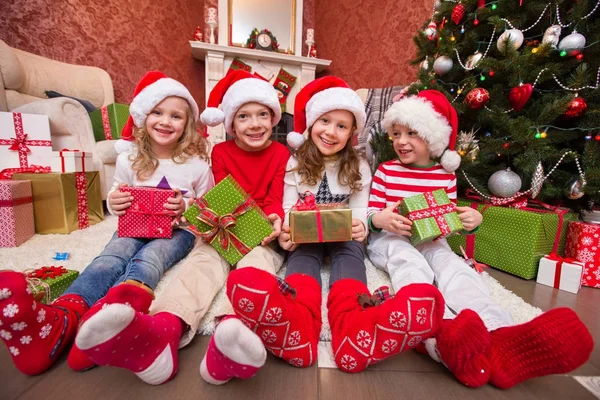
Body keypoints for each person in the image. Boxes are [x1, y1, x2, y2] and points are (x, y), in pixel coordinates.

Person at [74, 70, 290, 386]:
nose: (254, 124)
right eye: (244, 116)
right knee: (200, 265)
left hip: (260, 230)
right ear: (230, 124)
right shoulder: (221, 152)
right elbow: (214, 197)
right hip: (222, 225)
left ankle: (233, 332)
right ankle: (164, 329)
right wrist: (208, 222)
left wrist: (274, 220)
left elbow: (274, 198)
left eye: (262, 115)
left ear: (274, 119)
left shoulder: (281, 153)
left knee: (256, 267)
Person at [366, 89, 593, 389]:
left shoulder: (443, 176)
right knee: (410, 265)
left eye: (412, 133)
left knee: (453, 268)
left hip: (432, 240)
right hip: (390, 240)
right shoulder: (385, 171)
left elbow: (447, 219)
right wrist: (379, 219)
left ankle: (501, 334)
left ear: (433, 139)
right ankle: (438, 328)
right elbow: (370, 212)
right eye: (395, 133)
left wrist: (469, 222)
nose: (401, 141)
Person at [225, 77, 445, 374]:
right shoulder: (294, 163)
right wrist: (290, 230)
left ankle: (353, 325)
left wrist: (361, 228)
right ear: (312, 123)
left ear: (353, 132)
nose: (331, 131)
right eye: (325, 121)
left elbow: (361, 209)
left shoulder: (359, 165)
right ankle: (299, 323)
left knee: (350, 255)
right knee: (303, 257)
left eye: (342, 126)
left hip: (343, 235)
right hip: (307, 236)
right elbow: (288, 206)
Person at [0, 70, 213, 376]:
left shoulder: (196, 165)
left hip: (177, 232)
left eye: (176, 116)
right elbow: (116, 194)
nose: (165, 121)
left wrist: (185, 206)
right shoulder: (129, 159)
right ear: (143, 116)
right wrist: (114, 202)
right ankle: (65, 315)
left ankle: (120, 310)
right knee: (111, 256)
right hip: (132, 225)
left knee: (150, 258)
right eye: (157, 112)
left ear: (187, 125)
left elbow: (206, 210)